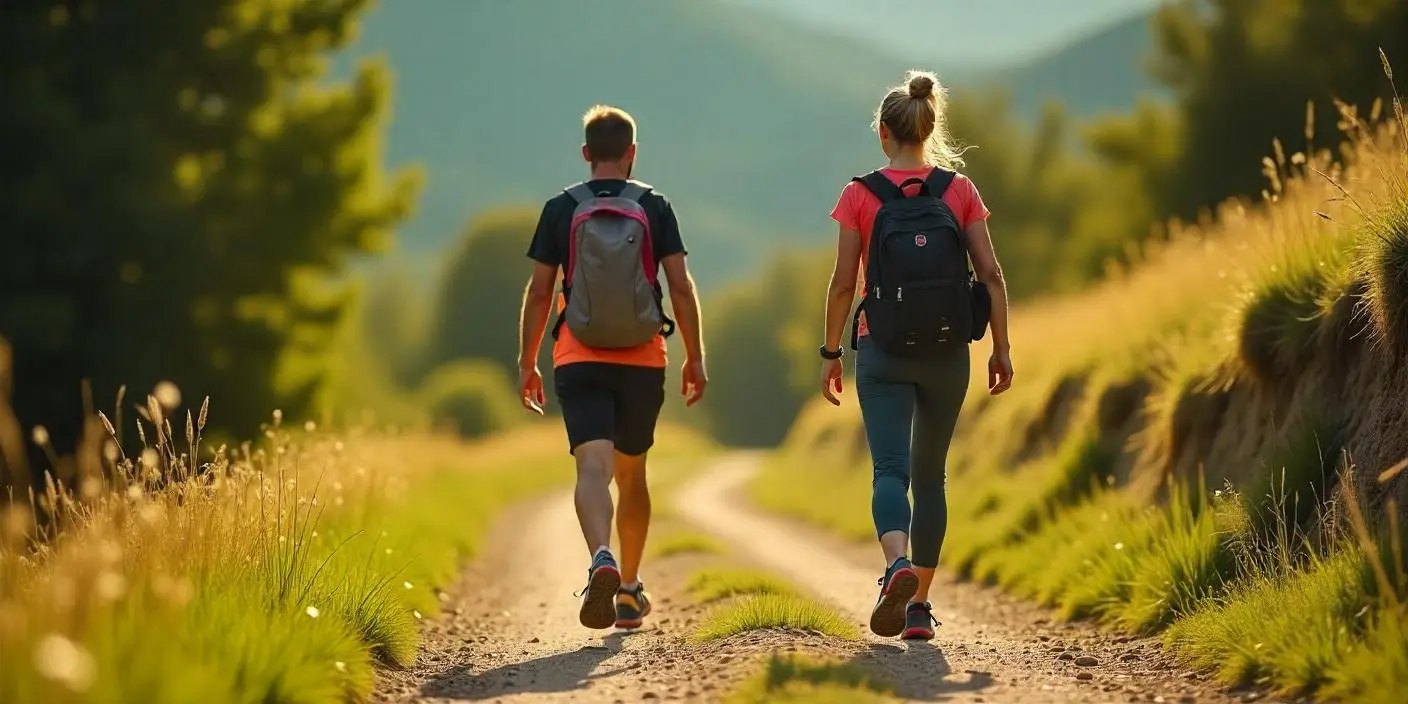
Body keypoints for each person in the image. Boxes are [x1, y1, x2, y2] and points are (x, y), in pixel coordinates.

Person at [818, 70, 1013, 641]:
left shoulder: (859, 194)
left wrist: (831, 352)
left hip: (883, 347)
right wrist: (1000, 347)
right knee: (931, 478)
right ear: (929, 128)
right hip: (948, 351)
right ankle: (919, 607)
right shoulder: (960, 190)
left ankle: (896, 563)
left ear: (884, 132)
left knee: (889, 470)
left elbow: (842, 283)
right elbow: (992, 275)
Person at [517, 105, 708, 631]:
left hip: (579, 356)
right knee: (632, 473)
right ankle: (627, 588)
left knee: (592, 469)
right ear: (632, 153)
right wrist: (695, 356)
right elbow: (680, 286)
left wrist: (527, 361)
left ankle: (600, 553)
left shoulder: (560, 208)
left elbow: (539, 293)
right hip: (642, 359)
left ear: (585, 153)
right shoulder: (655, 206)